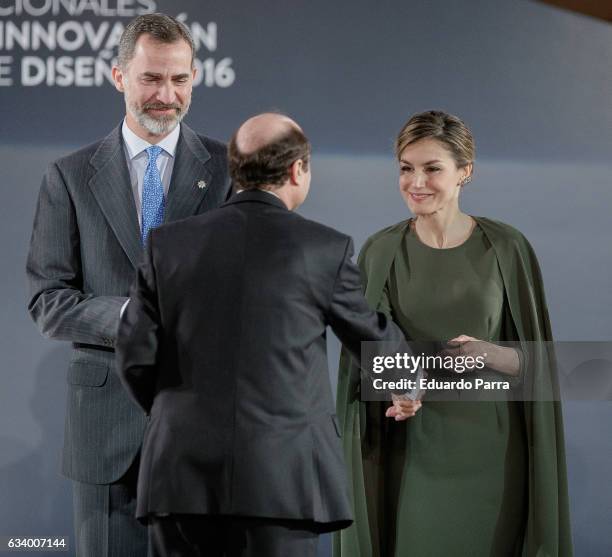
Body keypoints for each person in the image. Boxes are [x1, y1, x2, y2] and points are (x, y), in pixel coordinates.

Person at [115, 112, 409, 557]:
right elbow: (372, 338)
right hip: (282, 484)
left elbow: (135, 356)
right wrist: (408, 383)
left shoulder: (167, 245)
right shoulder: (324, 249)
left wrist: (175, 418)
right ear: (298, 170)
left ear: (235, 171)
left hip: (180, 478)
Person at [26, 13, 231, 557]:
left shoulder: (230, 170)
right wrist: (129, 318)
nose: (167, 95)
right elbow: (47, 299)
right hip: (106, 431)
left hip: (206, 427)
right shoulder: (69, 177)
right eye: (151, 79)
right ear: (118, 77)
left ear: (195, 78)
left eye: (179, 80)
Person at [334, 110, 573, 557]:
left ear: (465, 173)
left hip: (496, 450)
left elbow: (544, 366)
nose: (415, 182)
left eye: (432, 168)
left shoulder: (507, 247)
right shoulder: (381, 250)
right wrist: (401, 388)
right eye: (406, 168)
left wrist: (490, 353)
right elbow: (369, 354)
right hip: (414, 453)